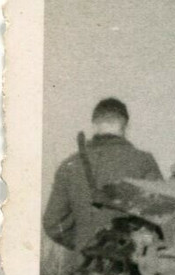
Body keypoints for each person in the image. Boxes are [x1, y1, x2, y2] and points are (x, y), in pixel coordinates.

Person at [43, 98, 163, 259]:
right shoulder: (143, 161)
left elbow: (53, 223)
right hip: (130, 264)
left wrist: (84, 241)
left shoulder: (70, 165)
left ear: (94, 125)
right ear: (126, 126)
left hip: (86, 263)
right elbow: (161, 215)